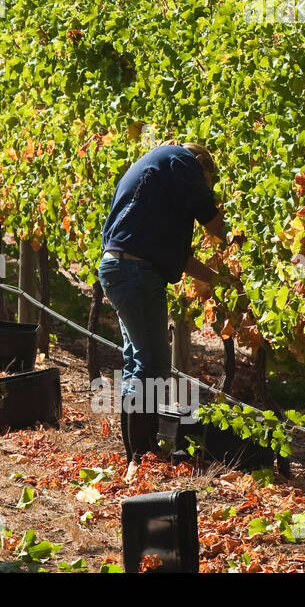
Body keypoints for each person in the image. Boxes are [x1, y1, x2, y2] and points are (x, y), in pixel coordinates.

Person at [97, 142, 227, 480]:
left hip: (118, 267)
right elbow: (214, 221)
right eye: (207, 180)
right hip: (136, 272)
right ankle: (140, 457)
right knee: (152, 364)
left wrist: (221, 281)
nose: (205, 187)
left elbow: (180, 259)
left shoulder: (160, 183)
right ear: (202, 164)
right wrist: (242, 241)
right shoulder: (182, 161)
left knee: (138, 361)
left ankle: (138, 454)